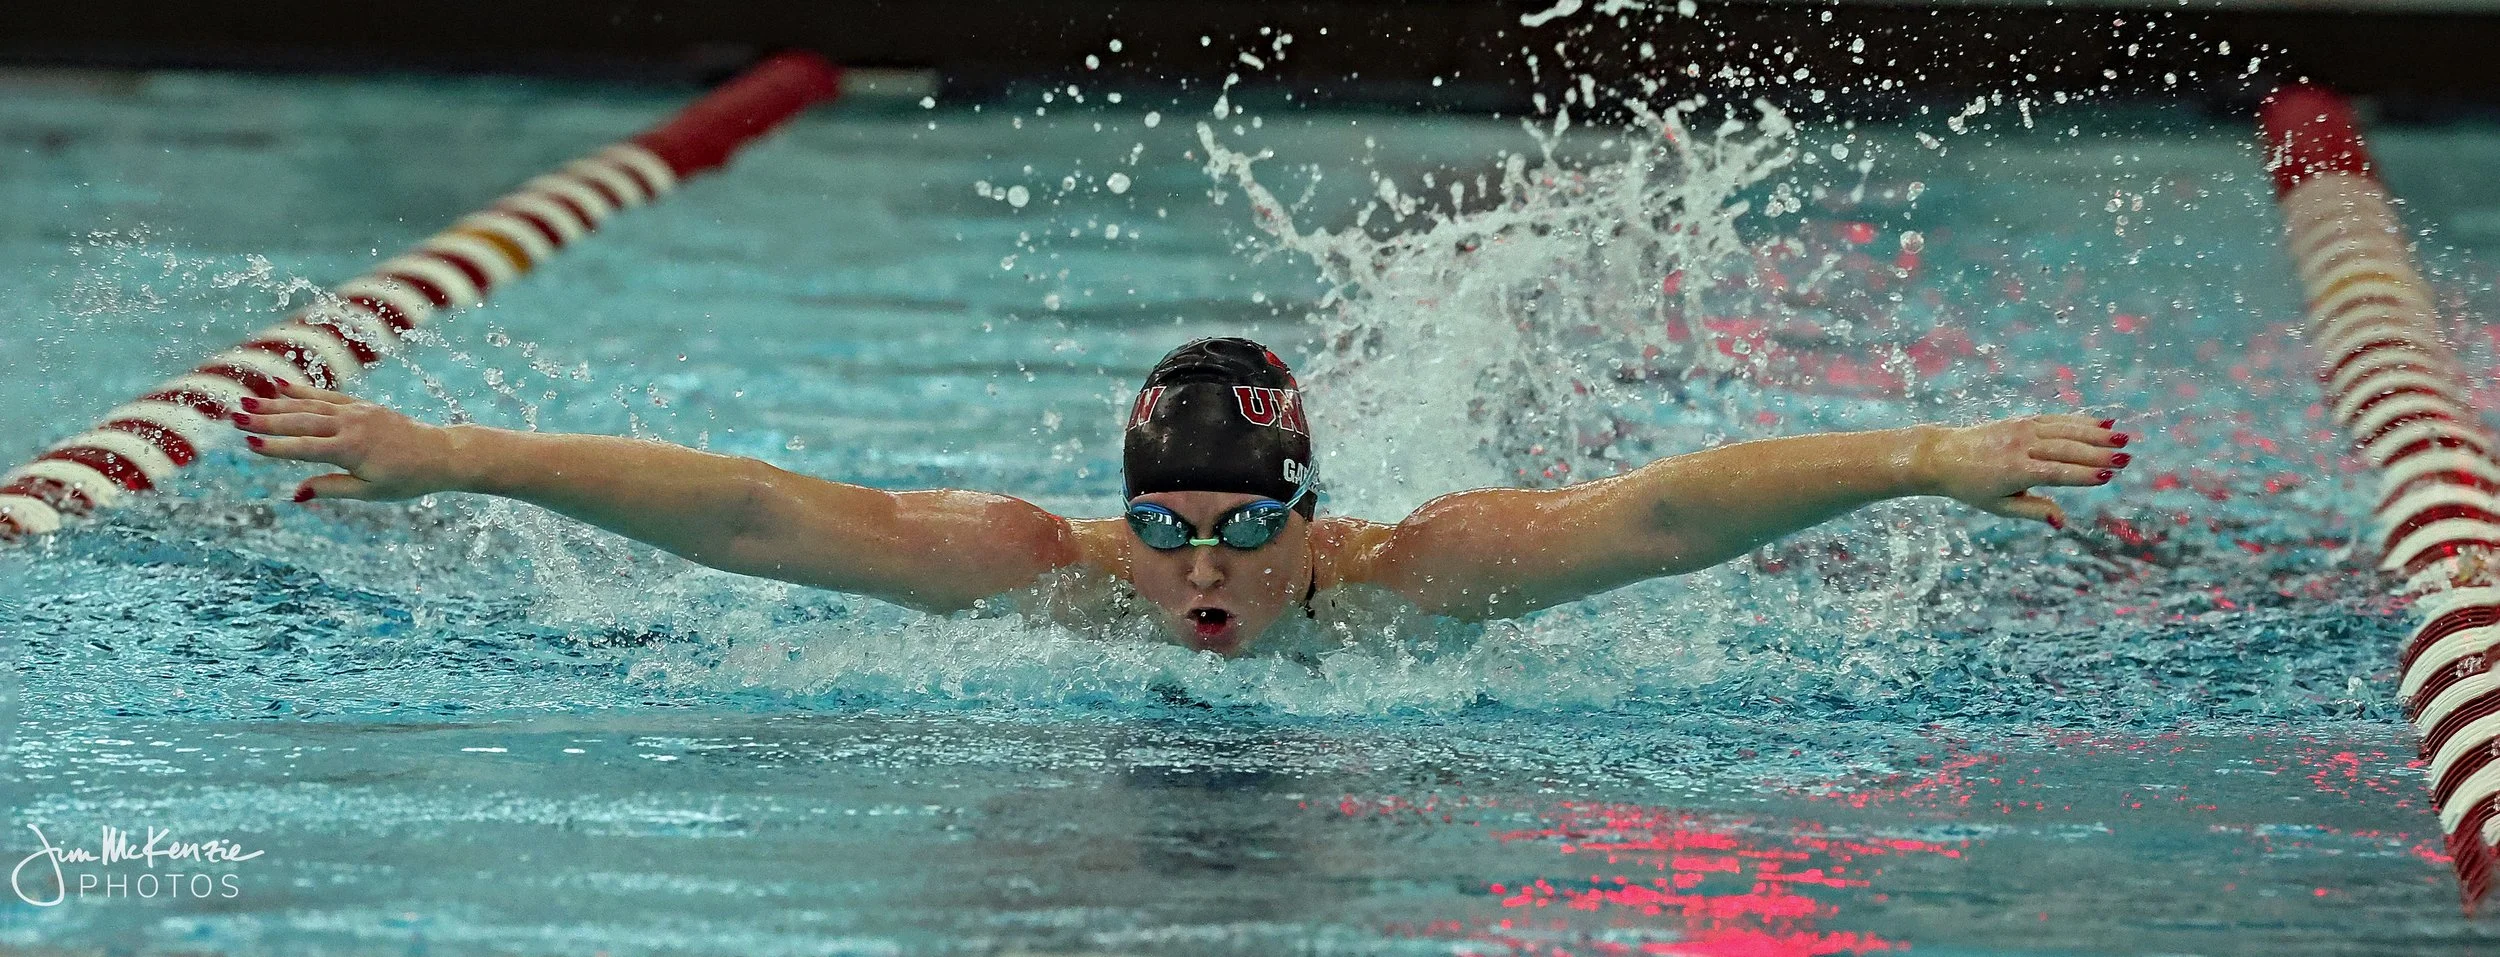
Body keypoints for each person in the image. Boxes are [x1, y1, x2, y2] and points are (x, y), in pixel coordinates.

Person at [232, 336, 2133, 656]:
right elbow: (749, 513)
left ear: (1316, 522)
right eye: (1161, 532)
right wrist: (454, 455)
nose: (1198, 574)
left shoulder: (1421, 580)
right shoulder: (1031, 578)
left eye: (1242, 533)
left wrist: (1926, 461)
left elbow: (1662, 516)